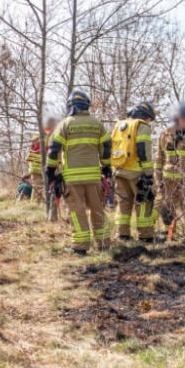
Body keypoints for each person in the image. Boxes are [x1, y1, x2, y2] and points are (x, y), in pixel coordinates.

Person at [46, 90, 112, 255]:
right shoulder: (97, 124)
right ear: (86, 106)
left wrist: (50, 171)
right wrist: (106, 167)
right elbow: (106, 148)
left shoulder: (65, 124)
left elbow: (54, 150)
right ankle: (103, 243)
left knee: (77, 211)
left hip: (72, 179)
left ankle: (81, 246)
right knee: (97, 209)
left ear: (71, 106)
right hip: (93, 177)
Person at [110, 101, 157, 242]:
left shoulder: (119, 125)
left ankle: (122, 235)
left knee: (123, 204)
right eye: (149, 118)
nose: (149, 121)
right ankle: (145, 236)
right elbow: (144, 150)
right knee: (143, 203)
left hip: (119, 171)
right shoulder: (142, 126)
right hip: (137, 173)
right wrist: (149, 174)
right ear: (145, 116)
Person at [155, 104, 185, 242]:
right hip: (169, 179)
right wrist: (158, 179)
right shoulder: (166, 134)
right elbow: (159, 158)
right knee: (167, 205)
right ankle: (168, 231)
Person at [26, 117, 58, 203]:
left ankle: (38, 204)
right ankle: (34, 205)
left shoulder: (38, 135)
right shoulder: (46, 137)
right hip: (39, 166)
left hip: (35, 166)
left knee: (38, 187)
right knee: (39, 187)